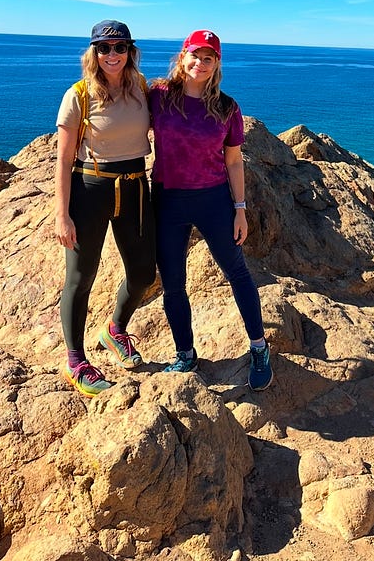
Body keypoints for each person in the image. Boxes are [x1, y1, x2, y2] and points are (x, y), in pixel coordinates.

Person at [149, 29, 273, 390]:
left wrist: (240, 208)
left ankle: (259, 347)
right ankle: (185, 354)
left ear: (217, 63)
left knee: (237, 272)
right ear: (182, 55)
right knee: (173, 283)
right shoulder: (159, 96)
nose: (200, 63)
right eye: (195, 55)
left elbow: (234, 161)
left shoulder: (226, 107)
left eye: (209, 58)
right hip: (168, 200)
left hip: (214, 199)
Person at [55, 20, 156, 397]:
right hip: (90, 187)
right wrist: (61, 213)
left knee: (144, 272)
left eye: (119, 47)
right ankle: (76, 360)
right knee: (81, 277)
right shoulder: (79, 94)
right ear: (93, 53)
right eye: (104, 48)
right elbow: (63, 159)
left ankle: (115, 329)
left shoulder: (142, 88)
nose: (112, 55)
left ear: (131, 51)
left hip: (134, 186)